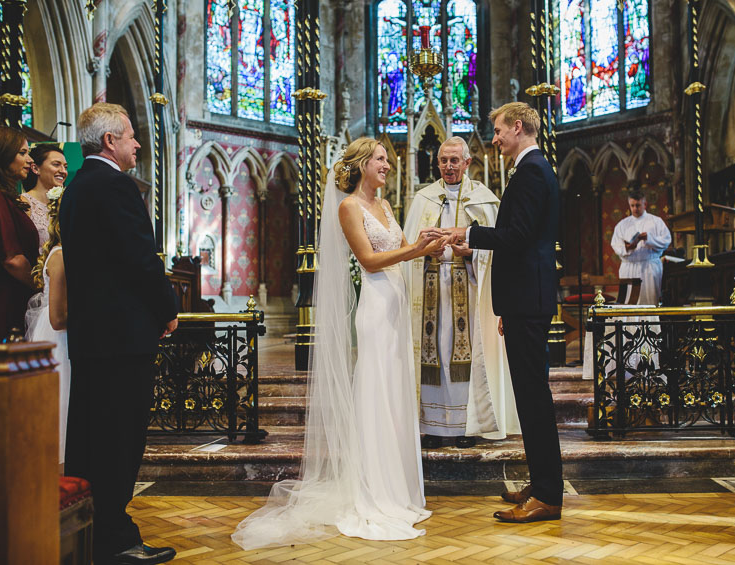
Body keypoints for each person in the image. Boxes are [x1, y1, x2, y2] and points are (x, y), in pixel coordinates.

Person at [233, 138, 444, 548]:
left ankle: (397, 489)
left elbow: (399, 251)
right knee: (377, 393)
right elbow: (368, 260)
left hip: (397, 305)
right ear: (362, 164)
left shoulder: (383, 206)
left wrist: (426, 246)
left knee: (396, 394)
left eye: (387, 160)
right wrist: (413, 250)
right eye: (380, 159)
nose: (387, 165)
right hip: (376, 307)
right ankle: (373, 491)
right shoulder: (350, 207)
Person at [59, 103, 178, 565]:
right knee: (119, 441)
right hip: (123, 338)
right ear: (109, 141)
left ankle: (86, 533)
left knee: (89, 438)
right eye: (131, 136)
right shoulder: (115, 187)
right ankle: (116, 538)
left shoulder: (76, 188)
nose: (137, 144)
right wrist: (168, 310)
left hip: (92, 338)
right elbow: (140, 260)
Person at [436, 102, 563, 523]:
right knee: (530, 396)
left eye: (498, 130)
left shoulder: (531, 171)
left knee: (533, 398)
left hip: (528, 299)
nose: (494, 139)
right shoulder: (531, 168)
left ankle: (547, 495)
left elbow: (519, 236)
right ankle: (543, 482)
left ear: (519, 127)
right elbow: (520, 239)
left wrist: (466, 232)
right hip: (524, 299)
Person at [403, 136, 519, 449]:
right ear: (437, 163)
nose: (449, 166)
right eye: (444, 160)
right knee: (435, 356)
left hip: (468, 291)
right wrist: (424, 250)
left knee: (465, 358)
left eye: (455, 160)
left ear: (468, 163)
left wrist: (472, 253)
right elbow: (406, 249)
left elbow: (499, 251)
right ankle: (435, 427)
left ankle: (467, 425)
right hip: (429, 292)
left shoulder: (483, 199)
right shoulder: (424, 198)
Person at [24, 185, 69, 467]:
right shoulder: (61, 255)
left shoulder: (63, 252)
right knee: (60, 409)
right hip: (59, 341)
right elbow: (58, 318)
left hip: (59, 337)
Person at [0, 125, 38, 343]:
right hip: (4, 305)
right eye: (22, 153)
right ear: (1, 154)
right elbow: (12, 260)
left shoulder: (4, 197)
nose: (30, 160)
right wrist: (44, 288)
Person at [610, 190, 671, 305]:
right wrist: (629, 247)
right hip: (629, 267)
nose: (635, 209)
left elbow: (666, 241)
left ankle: (650, 323)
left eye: (638, 205)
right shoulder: (622, 224)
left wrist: (649, 238)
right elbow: (616, 245)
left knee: (650, 300)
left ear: (645, 204)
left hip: (649, 266)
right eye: (632, 206)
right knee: (628, 302)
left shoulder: (656, 222)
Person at [21, 143, 68, 248]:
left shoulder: (66, 202)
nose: (63, 171)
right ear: (35, 168)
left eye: (65, 167)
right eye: (56, 164)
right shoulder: (24, 203)